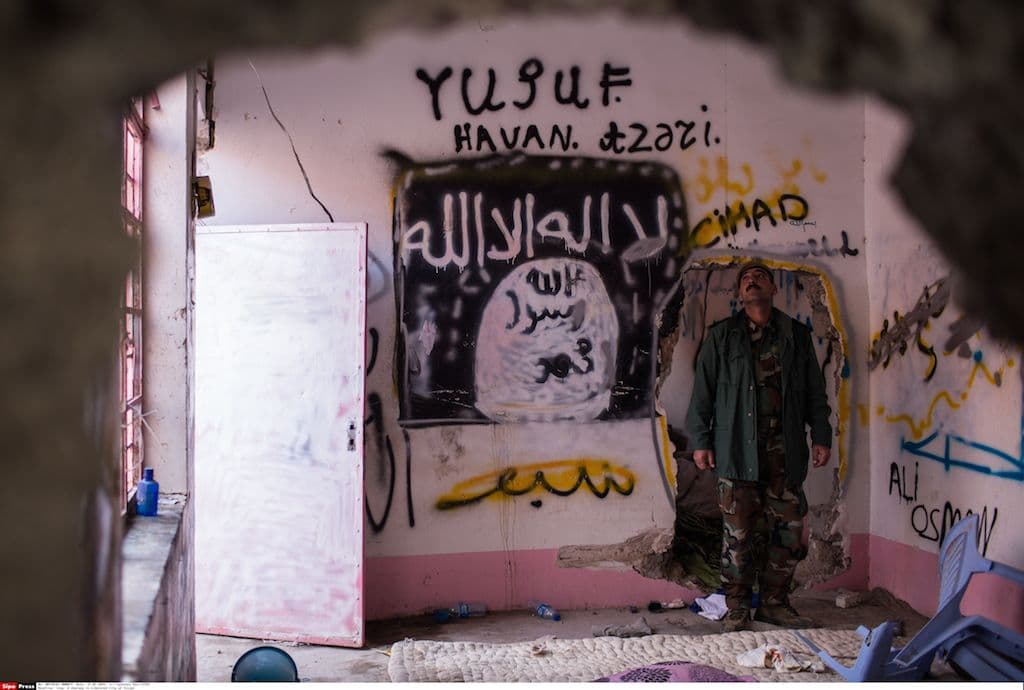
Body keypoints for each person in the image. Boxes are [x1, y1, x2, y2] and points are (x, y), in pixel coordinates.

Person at [684, 262, 832, 632]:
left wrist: (822, 435)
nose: (752, 281)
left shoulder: (796, 335)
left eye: (760, 276)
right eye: (745, 279)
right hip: (737, 452)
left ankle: (775, 604)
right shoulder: (722, 337)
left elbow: (816, 391)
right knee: (738, 535)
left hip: (786, 453)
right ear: (739, 293)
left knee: (787, 532)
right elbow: (703, 393)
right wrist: (701, 442)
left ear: (773, 289)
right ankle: (736, 608)